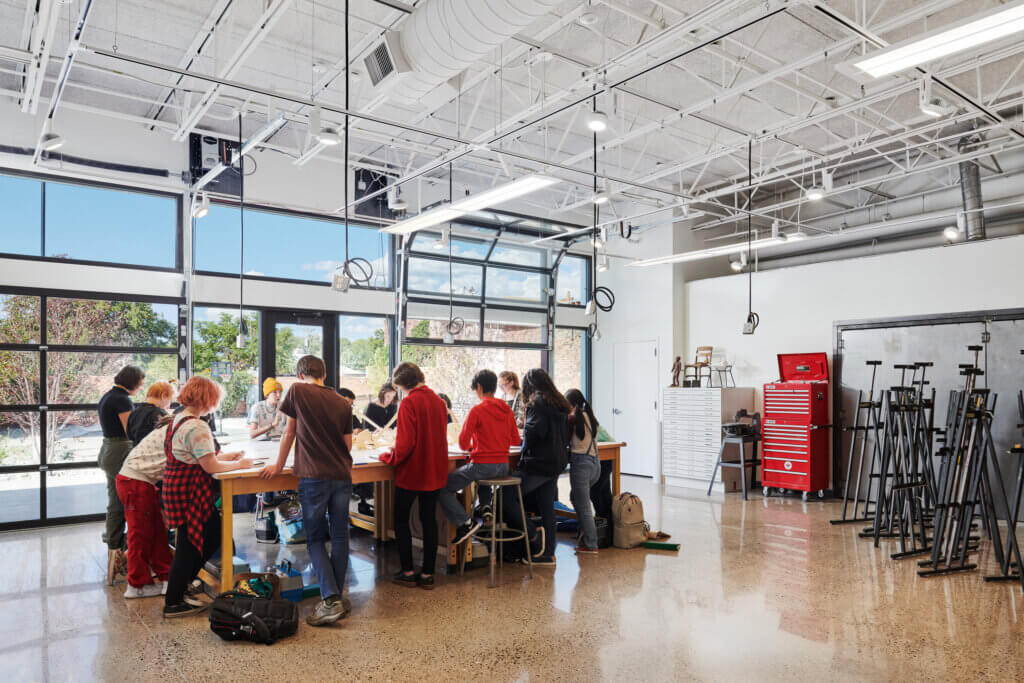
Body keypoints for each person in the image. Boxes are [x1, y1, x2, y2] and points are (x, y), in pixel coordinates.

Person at [260, 356, 354, 627]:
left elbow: (289, 432)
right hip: (342, 475)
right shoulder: (342, 401)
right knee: (339, 536)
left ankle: (331, 599)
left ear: (301, 373)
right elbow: (347, 445)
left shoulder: (298, 390)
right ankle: (335, 598)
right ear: (323, 374)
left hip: (314, 476)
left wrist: (278, 465)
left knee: (313, 539)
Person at [162, 377, 252, 618]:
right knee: (190, 545)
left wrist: (227, 457)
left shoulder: (179, 419)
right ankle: (173, 601)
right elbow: (210, 466)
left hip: (177, 487)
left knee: (206, 536)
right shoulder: (198, 426)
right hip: (190, 492)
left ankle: (184, 587)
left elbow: (201, 458)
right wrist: (240, 464)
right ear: (209, 399)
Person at [380, 362, 448, 590]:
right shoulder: (439, 401)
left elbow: (406, 443)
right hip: (434, 469)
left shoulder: (409, 402)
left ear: (404, 384)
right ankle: (428, 574)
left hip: (413, 471)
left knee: (401, 519)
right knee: (429, 520)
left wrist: (391, 456)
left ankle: (408, 571)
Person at [439, 370, 520, 544]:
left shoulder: (477, 410)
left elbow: (462, 443)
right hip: (504, 466)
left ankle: (465, 522)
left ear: (479, 387)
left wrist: (473, 447)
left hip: (483, 466)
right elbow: (515, 439)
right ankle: (485, 507)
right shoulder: (506, 408)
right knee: (482, 478)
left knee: (442, 487)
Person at [503, 368, 571, 567]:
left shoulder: (537, 402)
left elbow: (533, 434)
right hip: (556, 462)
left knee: (505, 497)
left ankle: (533, 535)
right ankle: (548, 553)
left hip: (538, 463)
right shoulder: (560, 403)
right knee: (546, 506)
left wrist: (523, 453)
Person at [98, 365, 146, 585]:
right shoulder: (123, 400)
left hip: (108, 449)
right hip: (119, 451)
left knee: (114, 499)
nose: (141, 386)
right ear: (133, 381)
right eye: (140, 382)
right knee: (119, 502)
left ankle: (115, 545)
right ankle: (117, 548)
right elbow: (130, 430)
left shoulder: (108, 396)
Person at [116, 414, 174, 598]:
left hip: (138, 482)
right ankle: (136, 586)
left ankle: (167, 579)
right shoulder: (176, 432)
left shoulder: (168, 429)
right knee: (140, 537)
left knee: (157, 534)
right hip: (136, 483)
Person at [565, 389, 601, 555]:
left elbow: (564, 439)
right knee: (576, 498)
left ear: (570, 404)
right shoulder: (591, 417)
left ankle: (591, 544)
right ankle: (584, 531)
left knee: (584, 505)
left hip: (581, 464)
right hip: (595, 464)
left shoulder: (573, 418)